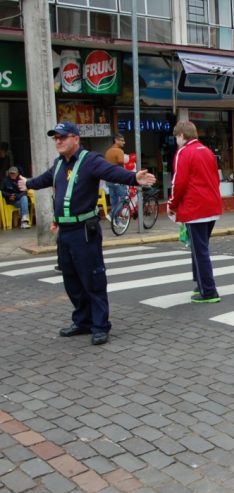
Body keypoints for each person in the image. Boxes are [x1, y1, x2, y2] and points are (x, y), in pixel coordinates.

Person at [18, 121, 156, 345]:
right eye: (56, 138)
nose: (59, 141)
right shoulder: (59, 164)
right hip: (65, 232)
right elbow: (45, 179)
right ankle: (82, 321)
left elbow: (111, 172)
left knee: (92, 279)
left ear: (76, 139)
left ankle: (100, 325)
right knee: (71, 280)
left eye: (63, 137)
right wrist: (29, 183)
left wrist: (133, 179)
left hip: (84, 230)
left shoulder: (90, 160)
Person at [167, 120, 223, 304]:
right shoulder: (207, 151)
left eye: (176, 137)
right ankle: (200, 283)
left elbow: (178, 182)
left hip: (195, 208)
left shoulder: (183, 152)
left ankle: (208, 290)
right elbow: (216, 178)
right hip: (212, 205)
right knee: (200, 248)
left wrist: (172, 204)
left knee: (199, 251)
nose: (176, 140)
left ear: (181, 135)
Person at [104, 133, 128, 221]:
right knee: (124, 199)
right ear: (116, 140)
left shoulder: (108, 151)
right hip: (118, 178)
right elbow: (121, 163)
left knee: (114, 201)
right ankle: (111, 215)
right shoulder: (119, 151)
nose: (124, 142)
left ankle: (116, 221)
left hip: (109, 179)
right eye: (122, 140)